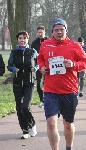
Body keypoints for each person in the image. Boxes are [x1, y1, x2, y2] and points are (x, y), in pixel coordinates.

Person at [37, 18, 86, 150]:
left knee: (68, 124)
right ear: (52, 31)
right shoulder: (45, 44)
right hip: (50, 91)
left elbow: (84, 62)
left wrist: (74, 64)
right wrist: (42, 67)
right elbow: (40, 58)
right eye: (56, 30)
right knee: (51, 123)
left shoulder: (75, 45)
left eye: (61, 29)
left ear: (66, 30)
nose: (59, 32)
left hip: (69, 91)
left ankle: (69, 147)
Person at [7, 31, 38, 139]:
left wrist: (35, 68)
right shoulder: (14, 53)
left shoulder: (32, 51)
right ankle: (25, 130)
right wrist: (14, 69)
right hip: (17, 83)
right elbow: (9, 66)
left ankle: (32, 124)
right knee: (19, 108)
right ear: (17, 40)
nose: (22, 40)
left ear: (27, 40)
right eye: (20, 38)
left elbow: (39, 63)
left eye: (24, 38)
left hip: (29, 83)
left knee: (25, 107)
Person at [31, 26, 47, 108]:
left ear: (45, 32)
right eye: (39, 32)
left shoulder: (49, 41)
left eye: (42, 32)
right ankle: (42, 100)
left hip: (48, 66)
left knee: (47, 83)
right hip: (38, 66)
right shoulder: (34, 43)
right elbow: (31, 56)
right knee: (38, 84)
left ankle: (48, 100)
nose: (40, 34)